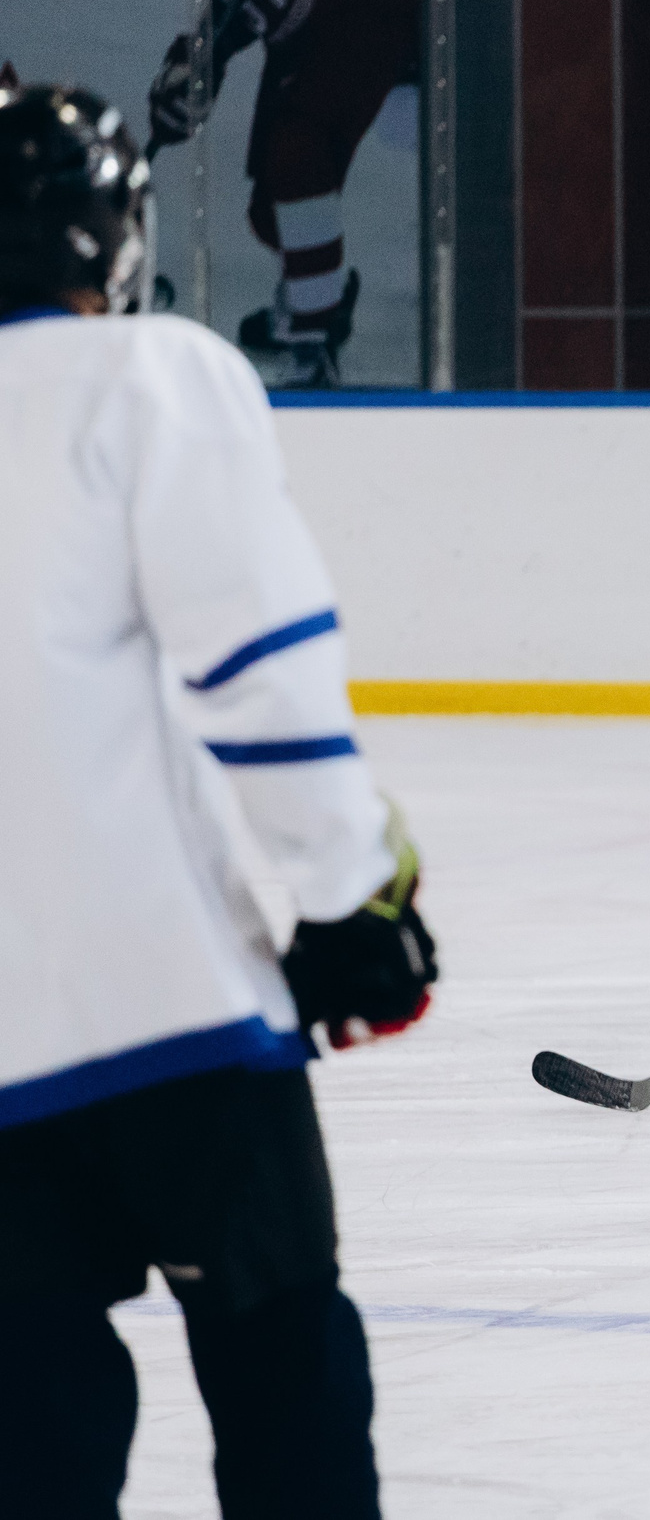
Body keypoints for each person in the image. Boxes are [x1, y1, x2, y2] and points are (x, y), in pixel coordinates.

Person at [0, 84, 437, 1517]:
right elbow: (262, 670)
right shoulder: (150, 379)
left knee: (32, 1434)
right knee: (286, 1380)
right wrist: (352, 900)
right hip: (177, 1015)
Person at [95, 0, 420, 389]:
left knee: (297, 156)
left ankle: (314, 341)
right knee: (271, 194)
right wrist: (198, 66)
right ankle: (311, 301)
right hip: (303, 24)